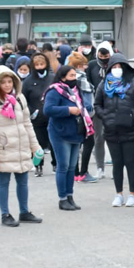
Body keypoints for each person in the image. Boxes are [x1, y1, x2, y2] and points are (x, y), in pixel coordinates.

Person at [0, 66, 43, 227]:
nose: (7, 85)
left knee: (23, 180)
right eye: (3, 82)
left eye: (10, 81)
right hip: (3, 146)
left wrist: (35, 146)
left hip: (21, 145)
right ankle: (5, 214)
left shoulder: (19, 98)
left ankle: (24, 211)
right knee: (3, 181)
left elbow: (27, 123)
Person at [94, 54, 134, 208]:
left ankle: (133, 194)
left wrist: (133, 116)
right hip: (111, 130)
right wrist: (105, 116)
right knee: (117, 163)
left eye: (120, 66)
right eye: (114, 67)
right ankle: (118, 194)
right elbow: (97, 104)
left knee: (130, 162)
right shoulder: (104, 84)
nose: (117, 69)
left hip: (131, 130)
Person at [44, 65, 91, 211]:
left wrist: (84, 110)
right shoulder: (55, 90)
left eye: (74, 76)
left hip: (76, 132)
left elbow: (86, 105)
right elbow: (48, 109)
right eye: (71, 76)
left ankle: (70, 196)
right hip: (60, 132)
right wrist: (68, 110)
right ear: (63, 77)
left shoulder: (77, 90)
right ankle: (62, 198)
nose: (74, 79)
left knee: (72, 167)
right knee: (63, 166)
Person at [65, 53, 98, 184]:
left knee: (75, 145)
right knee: (89, 143)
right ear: (79, 66)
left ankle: (75, 173)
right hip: (84, 116)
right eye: (85, 65)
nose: (86, 67)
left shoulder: (67, 79)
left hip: (72, 116)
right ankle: (83, 172)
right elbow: (87, 100)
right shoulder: (82, 78)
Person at [21, 53, 54, 177]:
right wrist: (32, 111)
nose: (40, 67)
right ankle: (38, 166)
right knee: (38, 144)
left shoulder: (52, 77)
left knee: (53, 142)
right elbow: (23, 99)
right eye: (37, 65)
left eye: (42, 64)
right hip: (36, 117)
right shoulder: (29, 81)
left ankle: (55, 164)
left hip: (51, 115)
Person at [84, 41, 114, 178]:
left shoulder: (115, 64)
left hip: (114, 105)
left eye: (106, 56)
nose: (103, 59)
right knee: (99, 137)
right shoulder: (92, 65)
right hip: (97, 105)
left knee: (114, 135)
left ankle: (116, 165)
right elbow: (88, 83)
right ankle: (100, 167)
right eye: (101, 56)